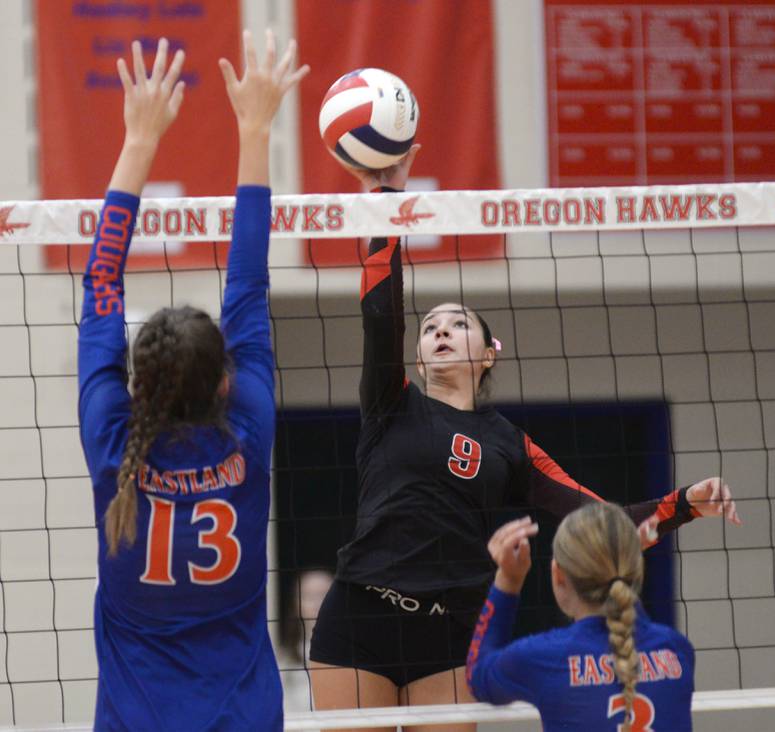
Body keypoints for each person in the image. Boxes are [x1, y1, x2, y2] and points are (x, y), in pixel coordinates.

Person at [308, 148, 740, 731]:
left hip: (449, 628)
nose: (439, 331)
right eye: (431, 327)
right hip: (360, 613)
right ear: (416, 353)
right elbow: (381, 313)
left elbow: (604, 523)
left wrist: (685, 504)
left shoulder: (509, 442)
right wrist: (387, 205)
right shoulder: (391, 402)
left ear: (489, 355)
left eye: (458, 324)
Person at [78, 32, 308, 730]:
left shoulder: (115, 447)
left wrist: (138, 139)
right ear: (223, 384)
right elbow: (247, 283)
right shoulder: (249, 437)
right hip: (244, 718)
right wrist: (258, 128)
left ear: (135, 386)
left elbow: (97, 288)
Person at [467, 506, 694, 731]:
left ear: (558, 575)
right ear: (636, 570)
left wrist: (508, 580)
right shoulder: (677, 650)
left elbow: (478, 676)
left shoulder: (544, 656)